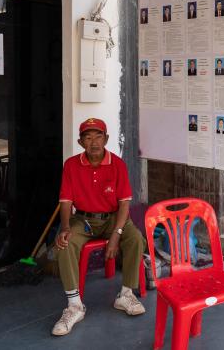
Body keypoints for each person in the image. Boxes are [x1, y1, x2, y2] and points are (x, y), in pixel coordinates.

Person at [52, 118, 146, 336]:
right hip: (83, 220)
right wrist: (65, 227)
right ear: (80, 141)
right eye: (88, 137)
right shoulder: (72, 165)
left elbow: (124, 204)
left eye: (98, 136)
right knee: (65, 243)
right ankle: (74, 306)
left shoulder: (118, 164)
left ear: (106, 139)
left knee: (135, 237)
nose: (94, 142)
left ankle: (125, 294)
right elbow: (65, 201)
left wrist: (117, 234)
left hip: (114, 218)